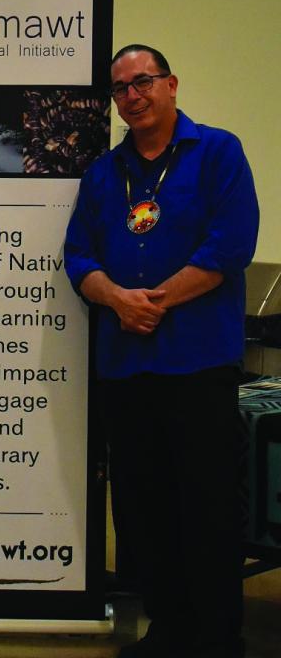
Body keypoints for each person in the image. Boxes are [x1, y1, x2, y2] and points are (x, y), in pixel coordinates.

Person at [64, 45, 259, 658]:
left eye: (142, 81)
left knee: (206, 507)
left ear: (171, 84)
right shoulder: (104, 174)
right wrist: (118, 300)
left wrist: (155, 302)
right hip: (127, 368)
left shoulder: (218, 153)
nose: (132, 95)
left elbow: (230, 247)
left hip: (198, 364)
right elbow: (77, 258)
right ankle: (168, 627)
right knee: (144, 509)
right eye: (120, 89)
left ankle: (218, 637)